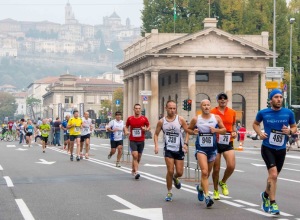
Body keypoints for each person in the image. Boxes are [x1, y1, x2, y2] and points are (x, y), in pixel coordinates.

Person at [253, 89, 297, 215]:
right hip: (268, 147)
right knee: (273, 175)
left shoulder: (288, 113)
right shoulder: (263, 112)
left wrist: (290, 131)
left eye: (280, 97)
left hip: (281, 149)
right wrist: (260, 133)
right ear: (271, 100)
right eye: (276, 97)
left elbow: (294, 127)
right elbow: (255, 124)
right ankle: (273, 203)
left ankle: (265, 195)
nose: (279, 99)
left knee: (273, 177)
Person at [187, 99, 226, 208]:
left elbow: (224, 129)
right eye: (204, 105)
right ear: (201, 107)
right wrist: (193, 132)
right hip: (201, 149)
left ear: (210, 106)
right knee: (204, 172)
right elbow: (188, 129)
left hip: (212, 149)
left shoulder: (216, 118)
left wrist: (216, 130)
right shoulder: (196, 119)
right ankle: (208, 196)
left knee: (208, 173)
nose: (206, 107)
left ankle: (200, 188)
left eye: (208, 105)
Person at [154, 100, 191, 202]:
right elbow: (156, 134)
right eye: (170, 108)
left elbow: (188, 132)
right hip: (168, 149)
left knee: (179, 172)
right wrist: (156, 146)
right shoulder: (162, 121)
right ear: (166, 108)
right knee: (170, 170)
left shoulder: (180, 120)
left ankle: (175, 178)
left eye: (174, 108)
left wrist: (186, 144)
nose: (172, 110)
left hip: (179, 149)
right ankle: (169, 192)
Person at [211, 92, 237, 200]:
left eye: (224, 98)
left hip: (228, 141)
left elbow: (233, 124)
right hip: (215, 142)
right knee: (216, 169)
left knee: (231, 166)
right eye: (220, 98)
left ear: (227, 100)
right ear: (217, 100)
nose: (222, 100)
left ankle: (223, 182)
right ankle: (216, 190)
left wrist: (235, 132)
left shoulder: (232, 112)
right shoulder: (212, 112)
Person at [125, 103, 150, 179]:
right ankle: (136, 172)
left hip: (141, 140)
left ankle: (133, 169)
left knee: (138, 157)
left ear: (140, 110)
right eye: (136, 108)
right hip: (132, 140)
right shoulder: (130, 119)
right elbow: (126, 127)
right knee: (135, 155)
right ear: (134, 109)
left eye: (139, 108)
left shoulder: (144, 119)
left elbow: (148, 126)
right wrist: (126, 131)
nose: (138, 110)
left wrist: (146, 129)